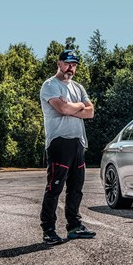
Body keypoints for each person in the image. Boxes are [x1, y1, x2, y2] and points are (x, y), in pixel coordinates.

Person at [39, 49, 96, 244]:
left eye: (74, 65)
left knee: (76, 188)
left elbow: (90, 112)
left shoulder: (78, 87)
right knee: (54, 187)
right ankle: (48, 229)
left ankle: (74, 226)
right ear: (59, 63)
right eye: (67, 63)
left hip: (78, 142)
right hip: (59, 142)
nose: (70, 68)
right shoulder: (50, 85)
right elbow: (61, 109)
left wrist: (74, 107)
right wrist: (78, 106)